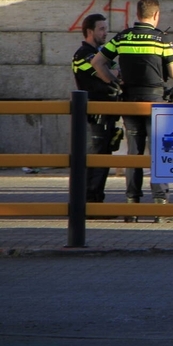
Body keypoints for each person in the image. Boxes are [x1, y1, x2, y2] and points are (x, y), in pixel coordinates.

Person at [91, 0, 173, 223]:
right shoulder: (161, 39)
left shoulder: (123, 37)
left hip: (129, 101)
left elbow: (97, 62)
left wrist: (114, 81)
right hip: (156, 103)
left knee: (134, 153)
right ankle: (161, 207)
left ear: (137, 14)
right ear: (156, 15)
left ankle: (132, 205)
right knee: (158, 152)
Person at [72, 14, 122, 208]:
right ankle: (90, 203)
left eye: (106, 28)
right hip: (95, 115)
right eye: (101, 29)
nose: (105, 32)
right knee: (96, 159)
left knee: (103, 157)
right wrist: (114, 73)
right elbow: (112, 74)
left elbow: (117, 70)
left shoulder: (101, 53)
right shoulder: (83, 55)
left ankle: (95, 201)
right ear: (90, 31)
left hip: (106, 113)